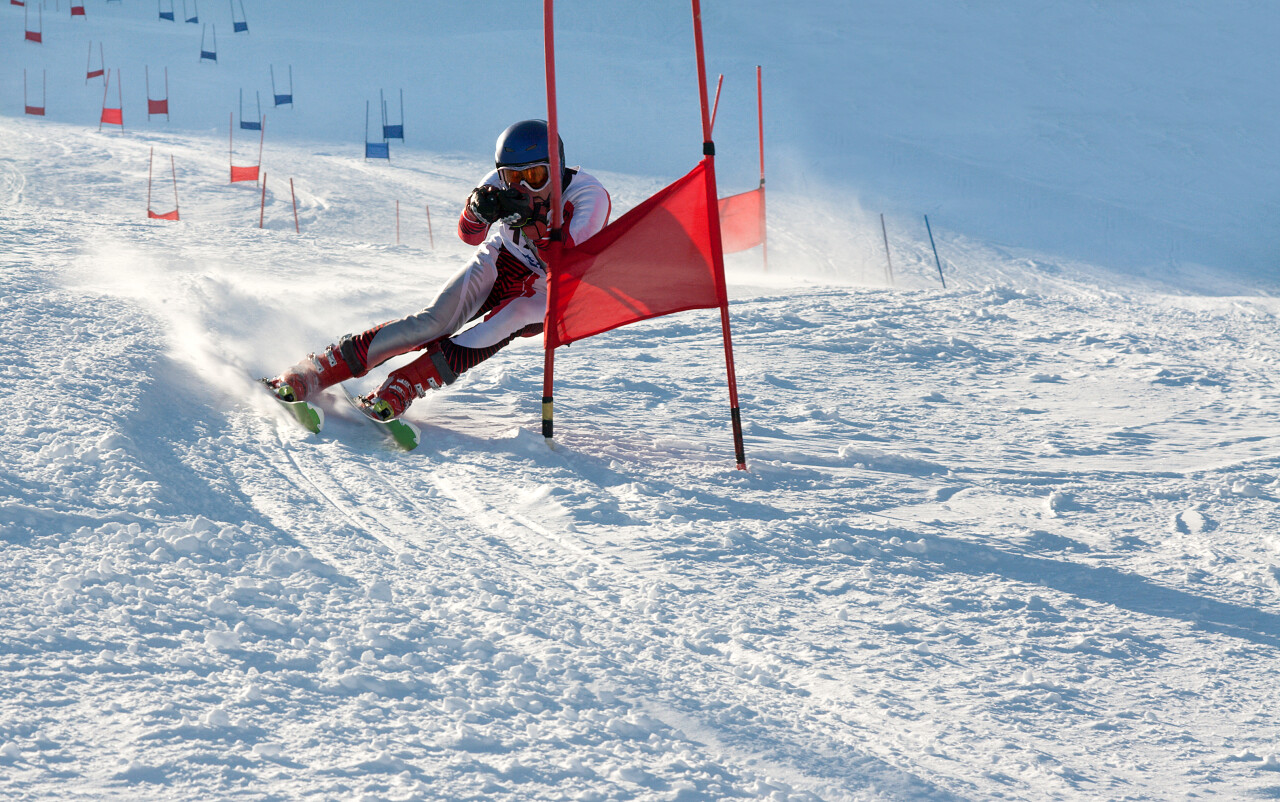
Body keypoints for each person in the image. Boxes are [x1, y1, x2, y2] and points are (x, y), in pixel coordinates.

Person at [265, 120, 611, 421]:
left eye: (535, 176)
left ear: (556, 168)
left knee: (505, 320)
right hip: (503, 259)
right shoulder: (497, 183)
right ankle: (317, 370)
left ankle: (404, 385)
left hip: (547, 287)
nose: (521, 187)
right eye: (512, 177)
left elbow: (567, 266)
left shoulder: (588, 197)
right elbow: (468, 235)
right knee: (433, 322)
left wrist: (532, 223)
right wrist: (477, 211)